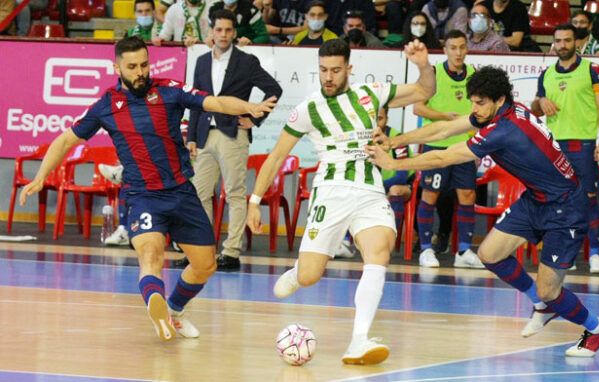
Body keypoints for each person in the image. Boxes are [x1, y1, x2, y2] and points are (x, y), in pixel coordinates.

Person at [20, 36, 276, 342]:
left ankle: (175, 309)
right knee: (151, 254)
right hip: (142, 196)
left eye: (144, 64)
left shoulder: (169, 90)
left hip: (181, 192)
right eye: (132, 67)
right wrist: (40, 176)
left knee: (206, 264)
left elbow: (217, 102)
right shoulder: (106, 105)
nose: (140, 71)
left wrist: (251, 106)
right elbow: (64, 140)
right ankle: (155, 303)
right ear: (117, 67)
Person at [367, 65, 599, 358]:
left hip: (566, 208)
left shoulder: (504, 130)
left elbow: (445, 155)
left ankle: (598, 330)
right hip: (536, 199)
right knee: (489, 254)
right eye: (472, 101)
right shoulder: (503, 111)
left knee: (550, 289)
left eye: (480, 102)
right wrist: (396, 141)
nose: (474, 108)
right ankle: (542, 303)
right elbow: (446, 128)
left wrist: (393, 163)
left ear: (499, 100)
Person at [246, 38, 435, 364]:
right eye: (322, 70)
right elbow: (277, 156)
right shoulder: (307, 109)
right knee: (309, 276)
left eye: (335, 70)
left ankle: (359, 340)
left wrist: (422, 64)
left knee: (379, 253)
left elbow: (423, 92)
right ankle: (299, 272)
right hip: (331, 192)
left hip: (369, 189)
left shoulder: (370, 93)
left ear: (349, 68)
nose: (328, 77)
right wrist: (254, 200)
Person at [188, 10, 282, 270]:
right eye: (219, 30)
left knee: (235, 194)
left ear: (234, 33)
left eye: (228, 30)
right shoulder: (201, 62)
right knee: (199, 194)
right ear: (212, 31)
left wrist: (255, 119)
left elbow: (274, 89)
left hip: (233, 135)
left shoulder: (246, 61)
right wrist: (191, 137)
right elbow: (196, 101)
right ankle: (202, 250)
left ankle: (231, 252)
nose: (224, 35)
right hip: (205, 135)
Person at [532, 24, 599, 274]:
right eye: (558, 41)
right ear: (553, 43)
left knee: (588, 200)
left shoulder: (593, 70)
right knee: (558, 202)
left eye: (567, 40)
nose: (562, 45)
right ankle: (567, 254)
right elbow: (535, 109)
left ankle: (596, 255)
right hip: (554, 147)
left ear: (576, 43)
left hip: (583, 144)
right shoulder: (546, 74)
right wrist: (540, 101)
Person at [412, 30, 482, 269]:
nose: (459, 52)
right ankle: (425, 249)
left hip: (464, 147)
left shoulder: (474, 75)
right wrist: (444, 117)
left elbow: (481, 113)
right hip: (436, 145)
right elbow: (418, 108)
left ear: (467, 48)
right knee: (430, 196)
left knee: (467, 196)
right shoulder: (432, 73)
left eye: (462, 47)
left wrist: (478, 147)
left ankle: (463, 251)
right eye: (453, 47)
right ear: (445, 50)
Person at [336, 106, 415, 258]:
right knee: (349, 190)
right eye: (373, 119)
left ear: (387, 119)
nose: (377, 124)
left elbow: (402, 176)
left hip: (401, 186)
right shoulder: (360, 138)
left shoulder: (396, 138)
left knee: (395, 190)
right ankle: (344, 242)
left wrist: (375, 190)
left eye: (380, 119)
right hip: (373, 189)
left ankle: (388, 243)